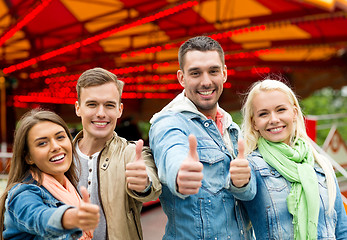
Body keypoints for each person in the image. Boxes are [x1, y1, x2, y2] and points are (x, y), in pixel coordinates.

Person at [149, 36, 256, 239]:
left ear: (224, 73)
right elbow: (172, 152)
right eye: (196, 73)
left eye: (213, 71)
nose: (206, 82)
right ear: (182, 78)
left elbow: (247, 197)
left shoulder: (231, 127)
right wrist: (180, 174)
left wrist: (243, 183)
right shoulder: (168, 122)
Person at [240, 79, 347, 239]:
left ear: (294, 113)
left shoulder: (320, 164)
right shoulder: (250, 166)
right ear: (254, 122)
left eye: (281, 110)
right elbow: (241, 194)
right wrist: (237, 182)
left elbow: (341, 230)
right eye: (263, 114)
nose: (274, 119)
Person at [74, 67, 161, 240]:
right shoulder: (61, 157)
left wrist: (144, 183)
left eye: (109, 105)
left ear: (120, 110)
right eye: (92, 104)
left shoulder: (132, 154)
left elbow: (153, 187)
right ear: (78, 108)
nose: (101, 113)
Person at [0, 109, 100, 240]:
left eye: (60, 137)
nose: (55, 146)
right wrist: (70, 218)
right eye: (42, 143)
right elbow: (40, 218)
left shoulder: (70, 187)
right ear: (28, 157)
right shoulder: (23, 194)